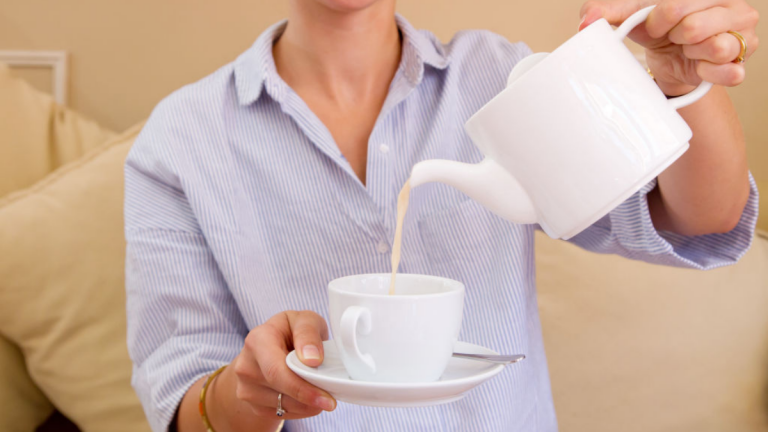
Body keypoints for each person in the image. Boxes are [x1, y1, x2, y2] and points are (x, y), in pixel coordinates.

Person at [124, 0, 760, 431]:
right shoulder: (182, 139)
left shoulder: (501, 80)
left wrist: (680, 80)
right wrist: (251, 390)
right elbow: (183, 402)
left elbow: (701, 218)